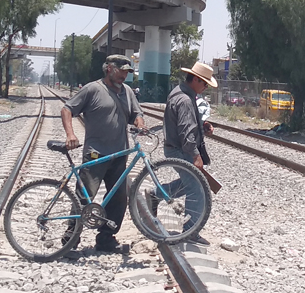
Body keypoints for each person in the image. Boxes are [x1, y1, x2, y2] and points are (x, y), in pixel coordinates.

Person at [61, 55, 145, 253]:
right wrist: (70, 134)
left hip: (119, 154)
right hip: (96, 154)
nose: (124, 75)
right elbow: (67, 109)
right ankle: (71, 237)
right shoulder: (92, 89)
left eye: (127, 72)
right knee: (84, 196)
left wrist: (140, 122)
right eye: (121, 71)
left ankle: (106, 238)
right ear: (109, 69)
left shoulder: (127, 92)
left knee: (119, 197)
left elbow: (137, 113)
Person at [163, 61, 217, 245]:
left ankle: (155, 194)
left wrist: (202, 125)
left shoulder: (179, 92)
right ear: (195, 79)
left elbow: (186, 122)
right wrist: (195, 155)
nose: (205, 87)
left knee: (189, 182)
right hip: (180, 149)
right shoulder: (186, 100)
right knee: (197, 187)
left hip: (174, 147)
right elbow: (186, 132)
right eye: (204, 83)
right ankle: (190, 231)